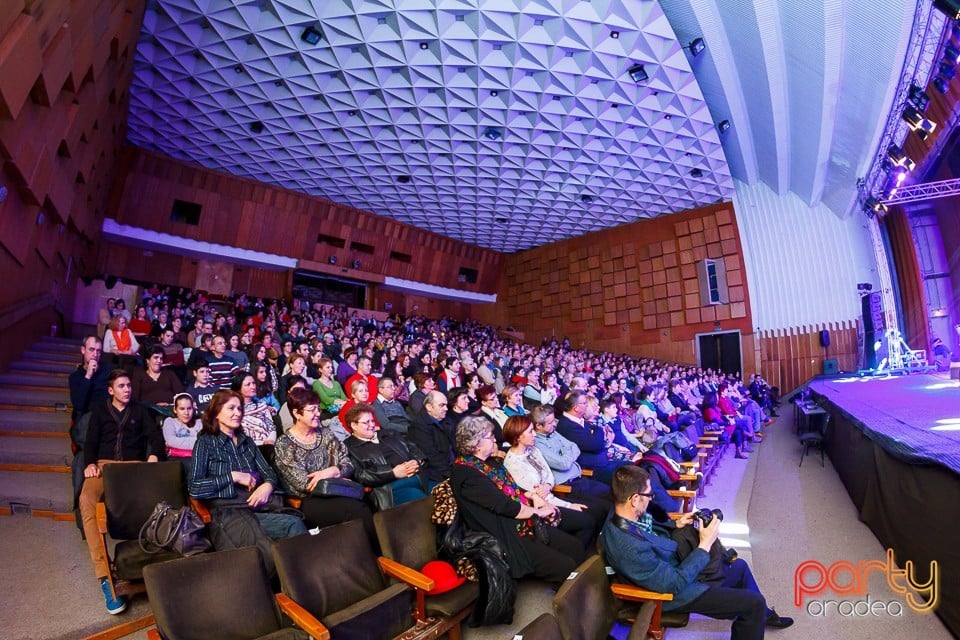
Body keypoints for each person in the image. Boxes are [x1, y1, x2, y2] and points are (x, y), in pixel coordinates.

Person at [601, 465, 793, 640]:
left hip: (676, 566)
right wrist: (704, 545)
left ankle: (762, 616)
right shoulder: (627, 546)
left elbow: (652, 533)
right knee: (754, 604)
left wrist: (675, 524)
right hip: (675, 592)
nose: (652, 498)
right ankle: (758, 613)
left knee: (740, 567)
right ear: (634, 499)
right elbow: (673, 584)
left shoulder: (622, 513)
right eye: (649, 495)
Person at [450, 416, 585, 586]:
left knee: (576, 547)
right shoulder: (466, 475)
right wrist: (539, 511)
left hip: (525, 522)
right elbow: (505, 506)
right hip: (508, 534)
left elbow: (513, 489)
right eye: (490, 437)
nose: (494, 439)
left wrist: (533, 496)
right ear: (476, 444)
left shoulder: (490, 462)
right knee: (566, 567)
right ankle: (566, 602)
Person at [79, 369, 165, 614]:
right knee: (86, 500)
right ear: (111, 390)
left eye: (128, 385)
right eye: (121, 386)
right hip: (104, 467)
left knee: (155, 501)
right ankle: (105, 576)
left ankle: (154, 562)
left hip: (133, 467)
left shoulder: (140, 410)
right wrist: (89, 464)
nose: (127, 389)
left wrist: (153, 455)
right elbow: (91, 442)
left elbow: (156, 438)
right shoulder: (100, 411)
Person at [189, 390, 307, 554]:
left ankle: (302, 575)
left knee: (294, 524)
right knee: (265, 549)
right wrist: (233, 476)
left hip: (258, 508)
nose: (237, 413)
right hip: (229, 511)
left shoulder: (247, 441)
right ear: (216, 412)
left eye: (240, 409)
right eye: (231, 408)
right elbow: (195, 487)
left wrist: (267, 486)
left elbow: (269, 472)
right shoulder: (205, 443)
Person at [273, 388, 375, 536]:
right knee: (357, 510)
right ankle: (377, 554)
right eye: (312, 409)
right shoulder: (285, 444)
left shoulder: (325, 433)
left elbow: (347, 463)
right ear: (296, 413)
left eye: (318, 408)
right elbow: (304, 484)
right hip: (310, 500)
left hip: (339, 490)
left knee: (368, 500)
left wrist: (333, 471)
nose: (318, 413)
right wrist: (336, 477)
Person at [502, 415, 604, 546]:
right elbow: (540, 499)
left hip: (552, 494)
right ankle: (579, 558)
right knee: (587, 520)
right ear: (517, 437)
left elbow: (549, 475)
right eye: (530, 432)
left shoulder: (533, 450)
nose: (534, 434)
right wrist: (569, 506)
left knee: (597, 510)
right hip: (544, 508)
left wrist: (548, 485)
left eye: (533, 430)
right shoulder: (513, 464)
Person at [344, 402, 429, 510]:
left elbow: (413, 448)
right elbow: (360, 475)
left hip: (419, 476)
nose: (372, 425)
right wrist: (393, 472)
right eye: (366, 422)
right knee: (423, 502)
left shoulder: (389, 433)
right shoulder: (349, 447)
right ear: (353, 425)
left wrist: (417, 462)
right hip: (390, 489)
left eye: (372, 421)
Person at [407, 390, 455, 483]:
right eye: (442, 405)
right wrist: (453, 474)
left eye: (446, 405)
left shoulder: (445, 419)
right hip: (438, 474)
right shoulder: (418, 427)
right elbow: (433, 457)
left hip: (454, 465)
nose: (446, 408)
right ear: (429, 407)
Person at [131, 346, 183, 413]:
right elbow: (135, 398)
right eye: (156, 358)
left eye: (161, 358)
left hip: (170, 409)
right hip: (148, 411)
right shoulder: (139, 375)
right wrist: (154, 406)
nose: (159, 361)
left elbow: (180, 393)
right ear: (147, 360)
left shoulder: (169, 374)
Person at [231, 372, 276, 447]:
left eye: (253, 383)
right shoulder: (235, 410)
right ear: (238, 388)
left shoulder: (262, 406)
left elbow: (271, 427)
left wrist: (271, 440)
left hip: (266, 445)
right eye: (248, 384)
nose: (253, 387)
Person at [161, 393, 202, 459]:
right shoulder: (170, 422)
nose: (186, 413)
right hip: (176, 459)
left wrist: (178, 442)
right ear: (175, 410)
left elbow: (206, 442)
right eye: (182, 409)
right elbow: (171, 441)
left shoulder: (200, 423)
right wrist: (198, 442)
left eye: (189, 408)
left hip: (198, 458)